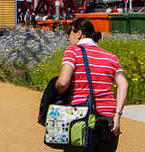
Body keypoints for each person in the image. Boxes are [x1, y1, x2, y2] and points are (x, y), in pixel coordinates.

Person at [55, 17, 128, 151]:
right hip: (108, 119)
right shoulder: (111, 57)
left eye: (69, 34)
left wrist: (55, 92)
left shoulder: (73, 51)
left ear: (79, 34)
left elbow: (63, 82)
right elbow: (123, 84)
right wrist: (117, 114)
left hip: (80, 116)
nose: (68, 39)